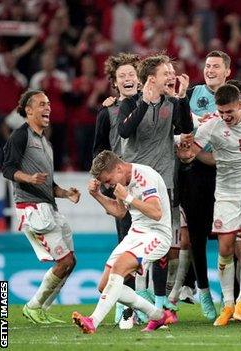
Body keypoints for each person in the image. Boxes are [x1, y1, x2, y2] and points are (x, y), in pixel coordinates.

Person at [178, 84, 241, 326]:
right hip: (226, 192)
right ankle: (227, 305)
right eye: (222, 112)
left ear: (240, 105)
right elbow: (192, 153)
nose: (226, 117)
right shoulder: (212, 124)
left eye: (230, 112)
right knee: (225, 248)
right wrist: (186, 153)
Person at [118, 54, 193, 312]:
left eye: (172, 71)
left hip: (163, 182)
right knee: (132, 243)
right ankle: (128, 305)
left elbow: (186, 127)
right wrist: (145, 104)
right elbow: (124, 132)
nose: (171, 76)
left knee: (160, 243)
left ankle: (160, 305)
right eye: (166, 73)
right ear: (151, 79)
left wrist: (182, 99)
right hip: (134, 184)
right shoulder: (129, 103)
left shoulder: (172, 103)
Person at [73, 150, 177, 334]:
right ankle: (158, 315)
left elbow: (156, 212)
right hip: (136, 233)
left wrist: (128, 197)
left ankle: (93, 321)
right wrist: (97, 195)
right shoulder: (120, 181)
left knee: (119, 267)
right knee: (104, 286)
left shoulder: (145, 177)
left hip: (157, 235)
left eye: (107, 180)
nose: (107, 185)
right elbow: (120, 213)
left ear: (119, 168)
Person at [3, 90, 80, 324]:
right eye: (41, 104)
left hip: (49, 206)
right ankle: (33, 307)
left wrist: (65, 193)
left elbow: (48, 182)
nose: (48, 108)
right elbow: (7, 168)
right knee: (64, 262)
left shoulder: (45, 142)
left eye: (48, 103)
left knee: (71, 261)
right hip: (32, 207)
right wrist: (28, 178)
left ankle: (41, 309)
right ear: (28, 110)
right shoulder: (20, 136)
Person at [92, 52, 141, 328]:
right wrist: (102, 180)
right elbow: (98, 149)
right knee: (126, 246)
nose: (127, 78)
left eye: (131, 73)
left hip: (145, 183)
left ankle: (147, 304)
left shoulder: (149, 103)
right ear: (115, 82)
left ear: (139, 77)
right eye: (121, 75)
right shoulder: (107, 111)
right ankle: (126, 308)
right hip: (120, 187)